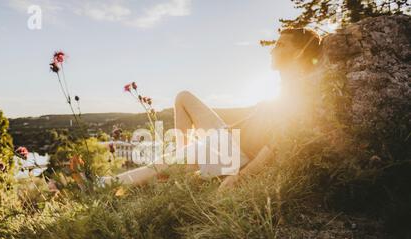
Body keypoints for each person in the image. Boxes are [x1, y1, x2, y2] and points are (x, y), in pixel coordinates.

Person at [105, 28, 322, 189]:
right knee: (184, 97)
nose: (273, 50)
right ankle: (188, 165)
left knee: (161, 163)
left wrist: (240, 177)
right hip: (231, 136)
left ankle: (105, 184)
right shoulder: (284, 87)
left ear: (298, 54)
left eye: (282, 45)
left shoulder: (298, 91)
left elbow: (275, 143)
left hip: (236, 150)